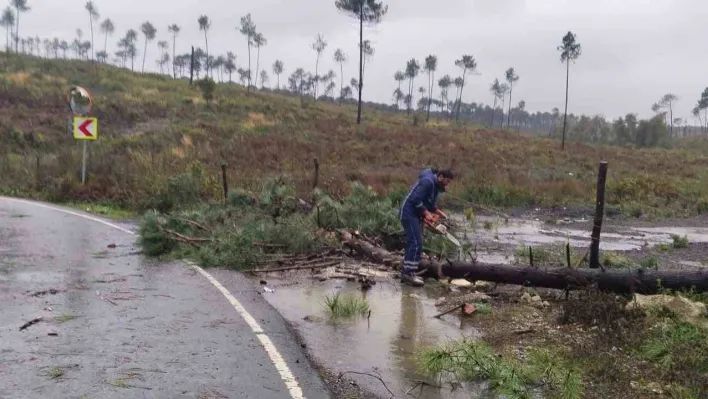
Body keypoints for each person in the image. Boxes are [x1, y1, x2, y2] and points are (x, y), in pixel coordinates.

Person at [399, 168, 454, 286]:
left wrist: (440, 213)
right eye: (447, 181)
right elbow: (415, 200)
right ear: (440, 177)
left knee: (416, 243)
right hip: (409, 213)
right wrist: (426, 213)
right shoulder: (428, 182)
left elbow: (430, 204)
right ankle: (408, 274)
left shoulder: (435, 186)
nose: (447, 185)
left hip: (415, 215)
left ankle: (408, 272)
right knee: (415, 242)